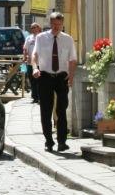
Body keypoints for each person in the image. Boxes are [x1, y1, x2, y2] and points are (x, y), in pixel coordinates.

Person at [32, 11, 77, 152]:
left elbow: (72, 59)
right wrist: (34, 68)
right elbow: (35, 55)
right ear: (50, 24)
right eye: (54, 24)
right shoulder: (41, 38)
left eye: (59, 24)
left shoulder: (68, 39)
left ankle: (62, 141)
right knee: (46, 109)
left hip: (61, 77)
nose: (57, 27)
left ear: (62, 24)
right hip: (45, 76)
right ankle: (49, 141)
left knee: (61, 109)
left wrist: (71, 75)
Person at [23, 22, 42, 103]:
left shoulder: (42, 37)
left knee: (40, 81)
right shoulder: (29, 38)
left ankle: (40, 97)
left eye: (35, 27)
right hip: (30, 63)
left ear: (38, 28)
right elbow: (25, 48)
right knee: (32, 80)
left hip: (40, 63)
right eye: (32, 28)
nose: (33, 29)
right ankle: (35, 97)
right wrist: (25, 57)